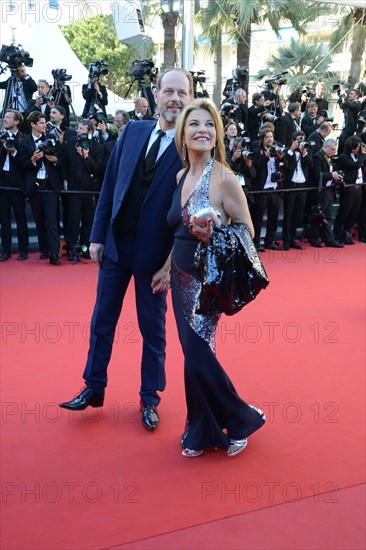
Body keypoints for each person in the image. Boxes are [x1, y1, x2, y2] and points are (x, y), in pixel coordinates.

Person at [59, 68, 194, 431]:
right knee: (102, 320)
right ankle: (94, 386)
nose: (175, 99)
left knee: (153, 329)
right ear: (156, 93)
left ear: (191, 98)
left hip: (155, 258)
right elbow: (110, 186)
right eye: (169, 91)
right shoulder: (133, 131)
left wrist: (170, 266)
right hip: (117, 246)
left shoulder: (191, 148)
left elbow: (185, 216)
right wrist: (98, 234)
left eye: (182, 93)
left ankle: (150, 398)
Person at [168, 99, 266, 457]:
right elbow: (176, 230)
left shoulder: (223, 176)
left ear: (217, 134)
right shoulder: (181, 176)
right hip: (178, 280)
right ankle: (201, 429)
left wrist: (214, 234)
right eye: (194, 124)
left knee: (197, 357)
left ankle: (242, 418)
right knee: (194, 356)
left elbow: (248, 231)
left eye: (209, 125)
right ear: (182, 133)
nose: (202, 130)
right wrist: (165, 269)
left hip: (206, 280)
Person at [17, 111, 63, 264]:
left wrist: (55, 159)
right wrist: (33, 160)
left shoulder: (52, 139)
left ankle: (54, 255)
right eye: (42, 123)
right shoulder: (24, 142)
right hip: (35, 187)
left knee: (52, 222)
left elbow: (62, 160)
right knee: (39, 221)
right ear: (33, 124)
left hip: (50, 186)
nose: (44, 125)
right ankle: (44, 250)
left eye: (45, 123)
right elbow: (22, 165)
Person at [0, 109, 29, 261]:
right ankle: (6, 250)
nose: (4, 119)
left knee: (20, 219)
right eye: (4, 117)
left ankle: (24, 250)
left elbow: (25, 163)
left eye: (8, 117)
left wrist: (13, 152)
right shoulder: (1, 137)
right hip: (2, 185)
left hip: (17, 186)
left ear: (16, 122)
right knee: (4, 220)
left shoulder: (23, 139)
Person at [333, 135, 366, 245]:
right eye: (358, 147)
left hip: (358, 187)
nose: (359, 149)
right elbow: (355, 166)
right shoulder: (344, 157)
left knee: (354, 213)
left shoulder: (357, 155)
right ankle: (337, 234)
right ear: (352, 148)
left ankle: (346, 233)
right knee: (344, 212)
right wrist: (363, 154)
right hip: (349, 189)